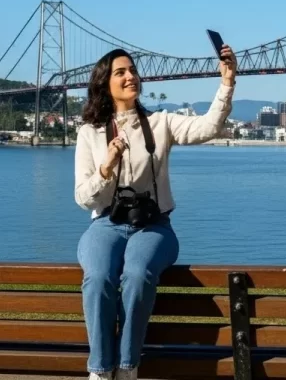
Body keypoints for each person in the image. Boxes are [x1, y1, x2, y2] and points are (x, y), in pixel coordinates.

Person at [74, 44, 237, 380]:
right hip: (107, 223)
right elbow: (83, 199)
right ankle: (101, 371)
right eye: (120, 72)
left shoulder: (159, 123)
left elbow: (208, 127)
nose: (130, 76)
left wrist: (227, 83)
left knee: (136, 275)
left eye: (132, 70)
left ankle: (127, 367)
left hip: (155, 226)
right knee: (98, 278)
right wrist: (107, 166)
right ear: (105, 84)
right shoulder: (90, 133)